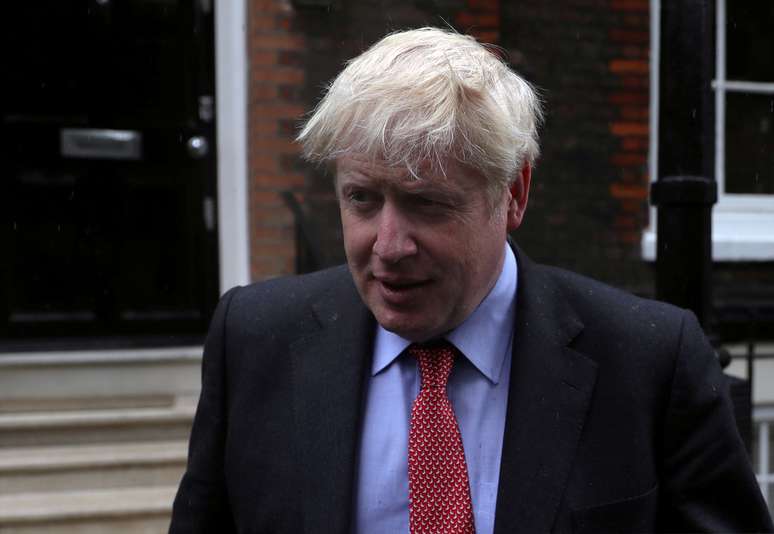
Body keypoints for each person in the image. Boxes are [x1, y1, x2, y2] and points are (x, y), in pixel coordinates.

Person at [170, 27, 772, 533]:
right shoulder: (252, 339)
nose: (388, 246)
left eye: (426, 204)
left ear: (513, 195)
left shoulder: (648, 362)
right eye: (361, 200)